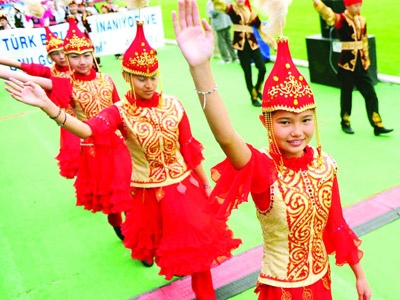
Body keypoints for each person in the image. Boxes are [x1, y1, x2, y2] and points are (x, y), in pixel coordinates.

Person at [3, 19, 241, 300]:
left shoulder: (173, 104)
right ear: (128, 75)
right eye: (142, 78)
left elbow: (188, 147)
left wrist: (205, 183)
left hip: (183, 189)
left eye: (153, 76)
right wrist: (49, 107)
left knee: (199, 255)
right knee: (163, 245)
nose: (149, 84)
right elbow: (89, 129)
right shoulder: (120, 111)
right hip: (146, 194)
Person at [171, 0, 372, 299]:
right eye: (285, 122)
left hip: (322, 283)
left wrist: (360, 276)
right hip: (282, 291)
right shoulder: (263, 168)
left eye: (305, 120)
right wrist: (200, 68)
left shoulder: (325, 165)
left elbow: (336, 223)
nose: (297, 131)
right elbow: (226, 138)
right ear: (266, 122)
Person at [0, 16, 126, 241]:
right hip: (93, 149)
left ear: (93, 54)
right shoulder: (65, 84)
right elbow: (20, 74)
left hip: (118, 145)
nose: (82, 62)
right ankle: (119, 228)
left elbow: (121, 110)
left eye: (86, 55)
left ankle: (138, 234)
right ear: (67, 59)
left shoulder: (107, 79)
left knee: (130, 192)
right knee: (112, 200)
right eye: (74, 57)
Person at [313, 0, 393, 136]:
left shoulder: (362, 20)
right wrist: (319, 5)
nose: (358, 8)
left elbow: (365, 41)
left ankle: (377, 123)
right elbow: (329, 15)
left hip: (361, 66)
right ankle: (345, 121)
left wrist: (366, 60)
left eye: (360, 5)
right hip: (346, 66)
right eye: (356, 5)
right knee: (346, 95)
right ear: (347, 6)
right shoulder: (342, 19)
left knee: (371, 94)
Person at [212, 0, 277, 107]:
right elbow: (220, 5)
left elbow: (262, 29)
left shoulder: (252, 13)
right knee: (248, 73)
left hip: (253, 45)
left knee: (262, 68)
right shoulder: (232, 10)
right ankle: (253, 97)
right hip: (241, 48)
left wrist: (274, 45)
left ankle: (257, 89)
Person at [206, 0, 238, 65]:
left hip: (220, 24)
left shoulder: (211, 3)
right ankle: (234, 57)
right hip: (227, 22)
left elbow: (211, 14)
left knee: (221, 42)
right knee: (228, 40)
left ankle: (226, 59)